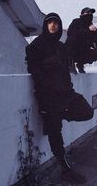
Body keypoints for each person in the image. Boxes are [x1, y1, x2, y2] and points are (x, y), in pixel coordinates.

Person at [25, 13, 86, 184]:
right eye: (50, 22)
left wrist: (69, 90)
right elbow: (34, 70)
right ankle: (66, 169)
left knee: (86, 111)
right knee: (55, 133)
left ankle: (62, 114)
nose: (53, 25)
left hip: (65, 95)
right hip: (48, 97)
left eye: (56, 23)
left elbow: (66, 73)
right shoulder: (35, 46)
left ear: (59, 26)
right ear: (45, 25)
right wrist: (48, 86)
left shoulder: (61, 47)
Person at [65, 7, 97, 73]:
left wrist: (94, 33)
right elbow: (70, 34)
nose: (90, 15)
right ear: (82, 14)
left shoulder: (92, 27)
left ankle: (80, 64)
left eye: (91, 13)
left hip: (84, 51)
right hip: (73, 50)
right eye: (88, 13)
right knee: (70, 41)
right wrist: (87, 30)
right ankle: (70, 64)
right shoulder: (76, 22)